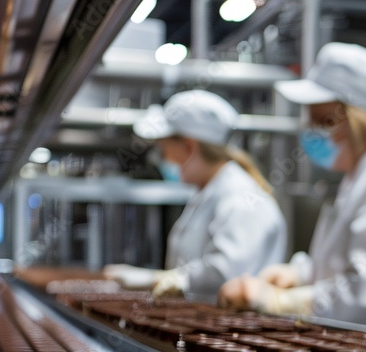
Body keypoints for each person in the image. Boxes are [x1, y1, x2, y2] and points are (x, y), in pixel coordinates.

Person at [218, 43, 366, 325]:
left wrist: (280, 302)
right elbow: (349, 264)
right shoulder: (363, 176)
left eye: (321, 120)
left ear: (354, 119)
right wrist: (300, 275)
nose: (311, 131)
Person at [103, 89, 286, 304]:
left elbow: (227, 274)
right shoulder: (208, 193)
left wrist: (156, 279)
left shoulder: (241, 198)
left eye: (164, 150)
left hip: (231, 332)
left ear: (188, 147)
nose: (162, 159)